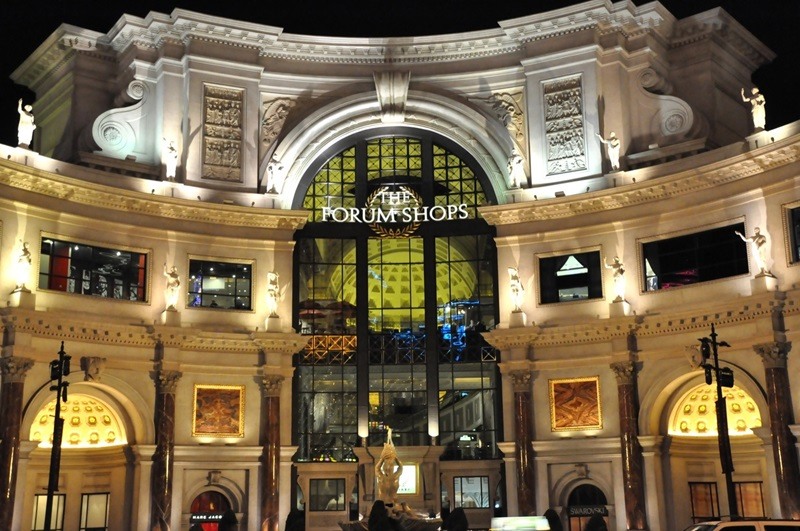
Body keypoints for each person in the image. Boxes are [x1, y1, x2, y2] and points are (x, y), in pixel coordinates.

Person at [375, 427, 403, 504]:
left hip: (394, 501)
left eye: (391, 466)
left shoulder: (395, 476)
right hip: (383, 502)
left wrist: (395, 458)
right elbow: (377, 468)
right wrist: (382, 459)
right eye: (387, 466)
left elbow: (400, 467)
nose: (388, 468)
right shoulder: (381, 477)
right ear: (383, 467)